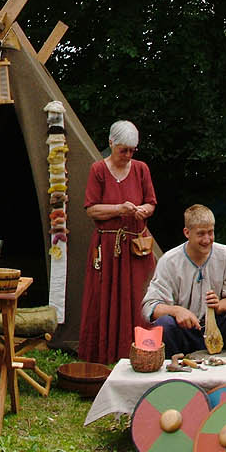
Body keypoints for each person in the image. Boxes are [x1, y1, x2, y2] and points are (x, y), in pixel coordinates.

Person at [77, 120, 158, 363]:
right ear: (111, 143)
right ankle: (105, 354)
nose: (128, 154)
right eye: (124, 149)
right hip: (108, 249)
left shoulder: (141, 169)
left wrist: (143, 210)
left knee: (139, 298)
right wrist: (118, 209)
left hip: (136, 248)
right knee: (104, 299)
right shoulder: (98, 170)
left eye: (132, 150)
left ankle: (143, 354)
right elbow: (91, 210)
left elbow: (151, 203)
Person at [142, 204, 226, 357]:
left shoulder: (224, 254)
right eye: (201, 234)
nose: (207, 239)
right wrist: (177, 311)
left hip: (218, 327)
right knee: (164, 325)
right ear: (187, 232)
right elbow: (150, 307)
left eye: (210, 232)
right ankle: (174, 373)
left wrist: (219, 306)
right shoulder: (170, 261)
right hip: (185, 331)